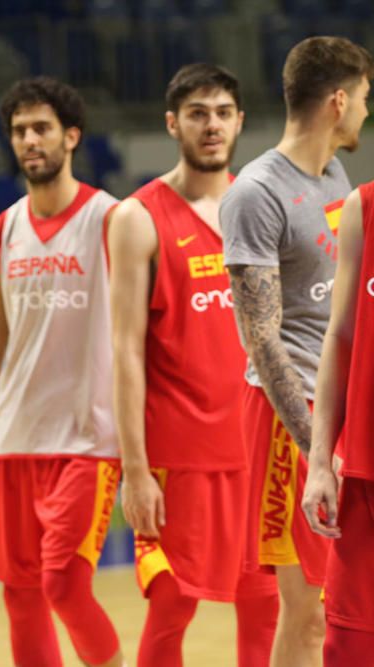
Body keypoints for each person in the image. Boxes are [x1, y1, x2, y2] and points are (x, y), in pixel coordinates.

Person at [108, 63, 279, 667]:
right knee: (174, 601)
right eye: (198, 114)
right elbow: (124, 348)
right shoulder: (137, 217)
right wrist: (134, 468)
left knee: (265, 603)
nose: (212, 126)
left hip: (259, 442)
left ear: (240, 122)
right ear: (172, 123)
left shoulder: (260, 206)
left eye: (224, 113)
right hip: (181, 454)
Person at [220, 36, 373, 666]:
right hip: (289, 421)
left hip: (335, 411)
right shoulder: (256, 191)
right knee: (307, 613)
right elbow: (260, 336)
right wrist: (317, 446)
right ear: (338, 101)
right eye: (363, 98)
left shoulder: (336, 175)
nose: (366, 111)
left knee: (330, 607)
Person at [0, 76, 124, 667]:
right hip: (17, 437)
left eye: (42, 128)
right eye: (19, 130)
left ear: (72, 137)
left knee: (65, 584)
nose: (30, 140)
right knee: (21, 595)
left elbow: (141, 332)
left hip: (89, 437)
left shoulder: (113, 220)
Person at [302, 180, 374, 665]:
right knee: (347, 646)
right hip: (365, 478)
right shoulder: (363, 207)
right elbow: (341, 334)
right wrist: (321, 461)